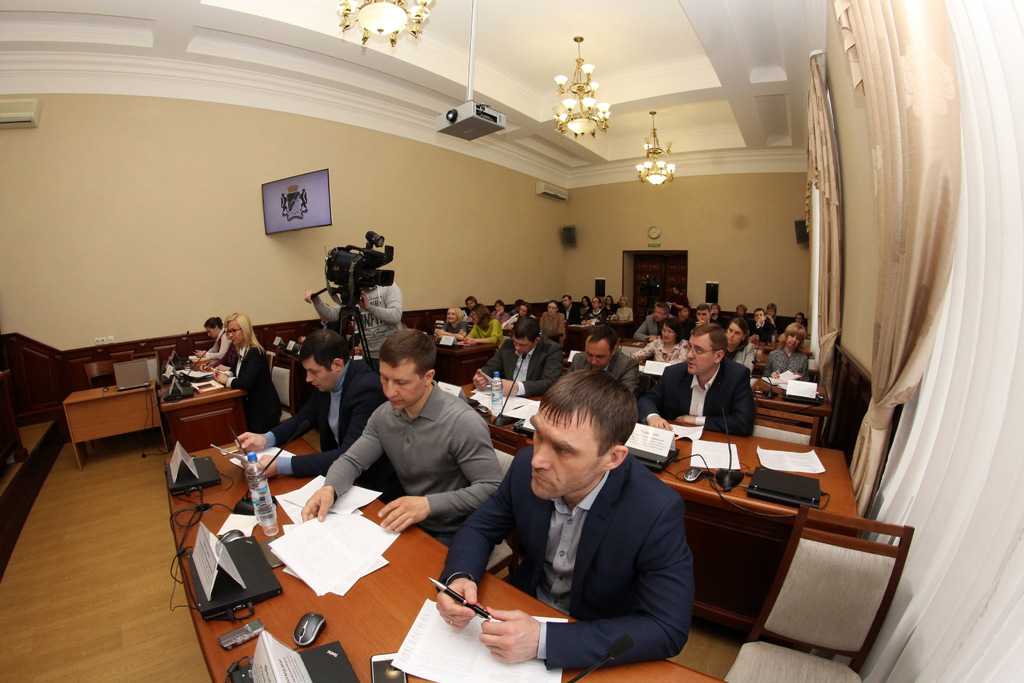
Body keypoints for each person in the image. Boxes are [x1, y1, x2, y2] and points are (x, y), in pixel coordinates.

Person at [436, 371, 694, 670]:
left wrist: (544, 640)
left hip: (591, 637)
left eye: (562, 449)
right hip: (521, 606)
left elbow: (667, 627)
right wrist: (459, 577)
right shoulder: (524, 466)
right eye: (539, 434)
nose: (537, 460)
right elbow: (480, 528)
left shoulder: (655, 510)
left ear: (612, 458)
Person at [301, 330, 502, 544]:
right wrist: (330, 488)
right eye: (384, 378)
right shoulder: (384, 415)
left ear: (428, 377)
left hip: (458, 529)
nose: (389, 392)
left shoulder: (463, 422)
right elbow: (352, 460)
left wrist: (428, 505)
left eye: (401, 382)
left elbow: (491, 487)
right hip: (412, 522)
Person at [237, 330, 399, 498]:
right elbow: (304, 418)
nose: (308, 378)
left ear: (337, 365)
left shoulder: (367, 389)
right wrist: (265, 439)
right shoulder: (329, 381)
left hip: (369, 485)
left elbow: (349, 454)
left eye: (313, 372)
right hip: (337, 476)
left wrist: (280, 465)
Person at [637, 323, 755, 435]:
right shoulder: (673, 373)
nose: (689, 355)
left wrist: (696, 420)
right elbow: (647, 400)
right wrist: (653, 416)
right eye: (690, 347)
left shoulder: (736, 376)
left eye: (698, 350)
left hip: (714, 442)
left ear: (718, 356)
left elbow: (743, 423)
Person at [212, 313, 281, 433]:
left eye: (234, 331)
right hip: (252, 407)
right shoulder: (241, 349)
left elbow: (246, 383)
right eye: (228, 332)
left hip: (264, 410)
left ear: (245, 329)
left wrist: (226, 380)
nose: (230, 335)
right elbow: (234, 370)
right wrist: (225, 375)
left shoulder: (255, 352)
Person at [306, 283, 404, 359]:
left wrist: (369, 307)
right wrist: (316, 299)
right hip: (368, 355)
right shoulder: (355, 293)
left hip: (392, 353)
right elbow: (330, 315)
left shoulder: (388, 287)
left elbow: (396, 316)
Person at [473, 317, 563, 398]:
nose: (517, 348)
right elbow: (491, 367)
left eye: (522, 345)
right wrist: (482, 377)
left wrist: (516, 387)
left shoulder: (551, 350)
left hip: (535, 400)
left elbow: (550, 383)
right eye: (515, 342)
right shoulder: (508, 344)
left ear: (536, 341)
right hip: (508, 398)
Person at [567, 325, 639, 395]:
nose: (593, 362)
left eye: (600, 357)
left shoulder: (627, 365)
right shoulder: (579, 359)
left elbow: (625, 399)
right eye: (589, 354)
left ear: (613, 350)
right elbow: (565, 389)